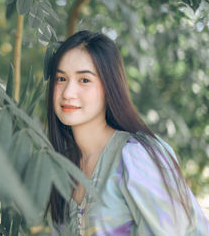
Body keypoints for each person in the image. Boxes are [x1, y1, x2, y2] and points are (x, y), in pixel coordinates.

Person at [46, 30, 209, 235]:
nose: (68, 92)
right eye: (61, 78)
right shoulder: (63, 168)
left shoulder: (137, 156)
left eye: (84, 80)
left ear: (109, 86)